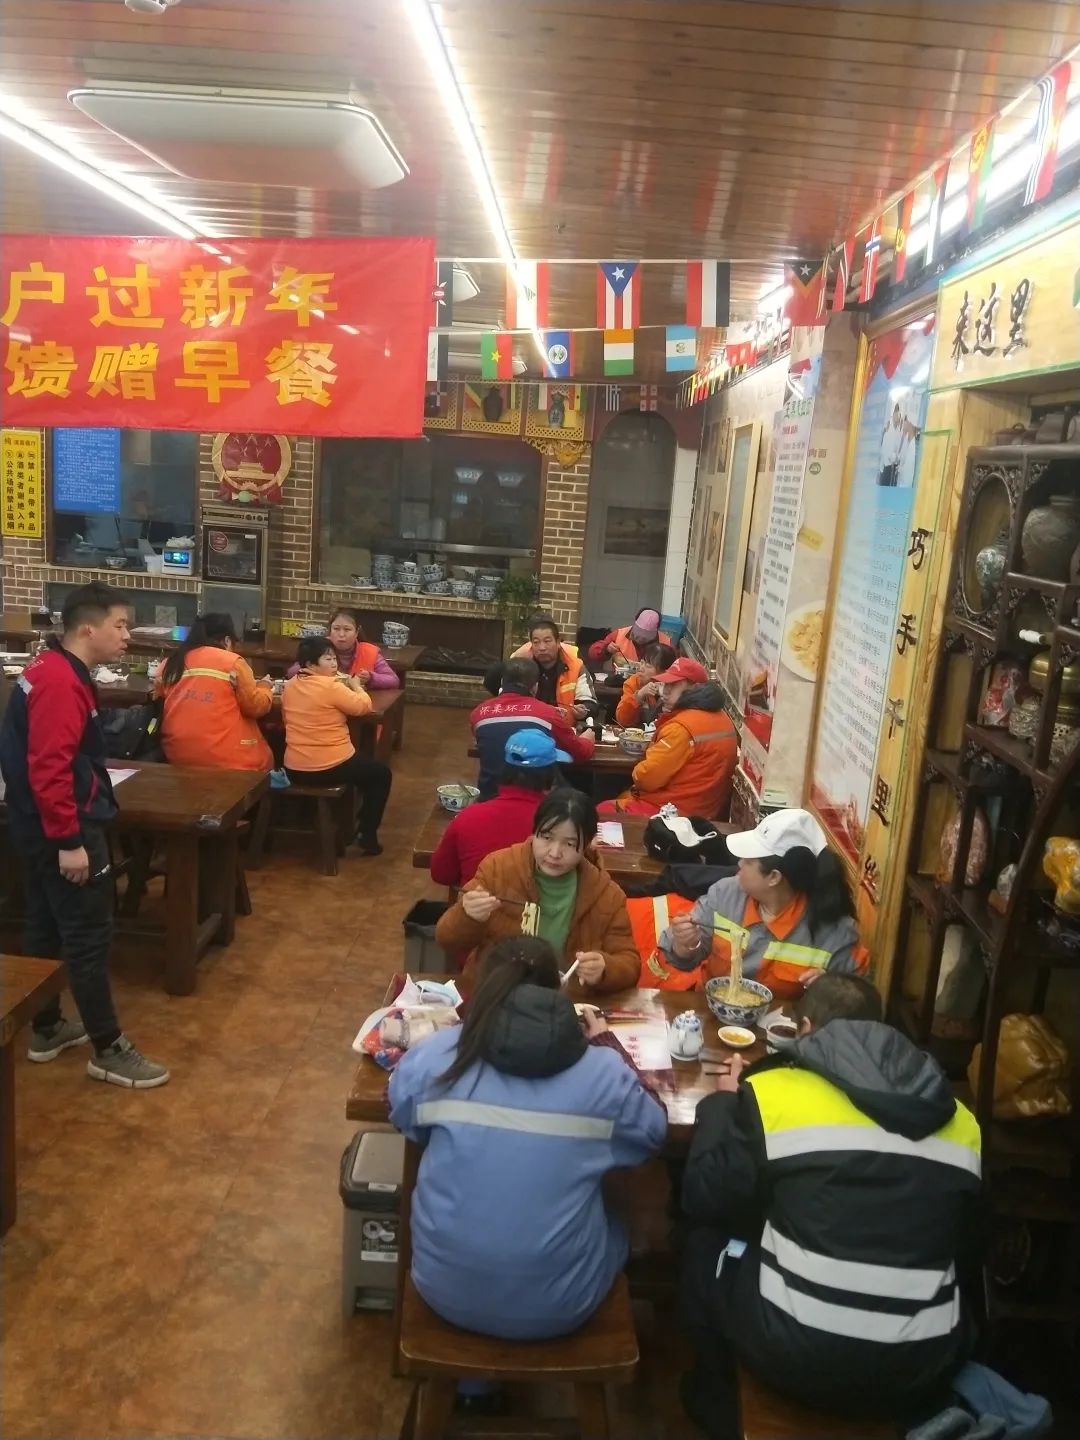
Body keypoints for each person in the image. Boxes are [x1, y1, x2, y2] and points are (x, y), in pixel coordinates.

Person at [680, 973, 982, 1433]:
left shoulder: (777, 1094)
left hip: (792, 1357)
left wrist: (723, 1104)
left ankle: (715, 1398)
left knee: (705, 1241)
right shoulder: (963, 1120)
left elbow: (704, 1197)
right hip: (921, 1368)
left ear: (804, 1030)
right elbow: (971, 1245)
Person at [388, 935, 667, 1340]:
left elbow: (400, 1112)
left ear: (484, 991)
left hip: (442, 1288)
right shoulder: (603, 1072)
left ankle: (474, 1372)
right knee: (621, 1207)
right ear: (557, 992)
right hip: (561, 1308)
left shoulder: (438, 1056)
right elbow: (652, 1132)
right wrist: (608, 1044)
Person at [0, 583, 169, 1088]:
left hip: (36, 824)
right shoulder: (58, 681)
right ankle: (108, 1048)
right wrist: (69, 841)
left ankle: (47, 1026)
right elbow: (50, 768)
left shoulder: (50, 667)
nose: (127, 636)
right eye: (121, 625)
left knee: (46, 923)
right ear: (88, 628)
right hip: (63, 826)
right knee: (89, 935)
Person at [436, 789, 641, 993]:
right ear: (534, 832)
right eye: (546, 837)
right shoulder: (498, 869)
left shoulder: (605, 894)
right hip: (497, 995)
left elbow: (630, 963)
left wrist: (605, 969)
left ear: (588, 844)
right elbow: (446, 939)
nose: (554, 853)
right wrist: (468, 916)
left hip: (564, 1001)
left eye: (569, 844)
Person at [657, 808, 868, 999]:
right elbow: (681, 959)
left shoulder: (834, 931)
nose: (739, 864)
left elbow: (859, 1000)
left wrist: (831, 989)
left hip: (782, 1026)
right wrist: (684, 944)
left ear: (774, 877)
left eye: (749, 861)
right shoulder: (725, 894)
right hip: (712, 1013)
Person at [281, 636, 392, 856]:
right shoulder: (331, 686)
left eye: (334, 659)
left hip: (293, 767)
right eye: (327, 659)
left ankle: (334, 825)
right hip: (330, 766)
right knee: (381, 775)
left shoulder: (290, 685)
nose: (334, 664)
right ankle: (366, 834)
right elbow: (363, 706)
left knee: (365, 770)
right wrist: (357, 687)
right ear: (311, 664)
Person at [600, 658, 737, 819]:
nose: (665, 691)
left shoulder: (681, 727)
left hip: (672, 811)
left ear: (694, 688)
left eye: (673, 685)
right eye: (665, 684)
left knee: (601, 812)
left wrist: (639, 767)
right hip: (702, 809)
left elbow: (646, 778)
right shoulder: (722, 718)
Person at [431, 730, 557, 888]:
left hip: (476, 902)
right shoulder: (560, 825)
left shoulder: (468, 817)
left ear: (505, 768)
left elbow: (441, 874)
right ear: (550, 775)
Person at [157, 612, 274, 771]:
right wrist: (265, 686)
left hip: (176, 755)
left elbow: (159, 693)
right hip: (228, 759)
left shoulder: (172, 662)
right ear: (227, 640)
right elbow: (255, 706)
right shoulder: (232, 662)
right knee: (267, 756)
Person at [470, 655, 595, 799]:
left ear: (502, 682)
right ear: (535, 686)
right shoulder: (548, 714)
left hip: (489, 794)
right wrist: (587, 740)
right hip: (535, 798)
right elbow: (579, 753)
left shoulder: (478, 713)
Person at [511, 614, 598, 723]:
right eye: (536, 642)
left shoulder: (575, 665)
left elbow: (591, 704)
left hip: (563, 727)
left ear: (558, 642)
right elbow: (506, 700)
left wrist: (584, 710)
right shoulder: (521, 665)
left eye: (547, 641)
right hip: (528, 726)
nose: (542, 648)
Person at [284, 608, 400, 687]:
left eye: (347, 629)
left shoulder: (369, 651)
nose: (341, 634)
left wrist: (371, 678)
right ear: (330, 630)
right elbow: (292, 672)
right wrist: (316, 671)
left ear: (357, 632)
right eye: (336, 629)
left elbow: (393, 680)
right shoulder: (319, 647)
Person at [614, 642, 678, 728]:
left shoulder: (675, 688)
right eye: (642, 663)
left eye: (648, 666)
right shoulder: (634, 682)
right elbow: (622, 720)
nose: (641, 668)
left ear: (664, 672)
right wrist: (639, 695)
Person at [588, 607, 672, 667]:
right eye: (637, 635)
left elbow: (673, 669)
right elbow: (592, 653)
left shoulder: (667, 642)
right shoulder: (619, 635)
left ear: (656, 632)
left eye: (645, 638)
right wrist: (606, 649)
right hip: (621, 682)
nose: (640, 640)